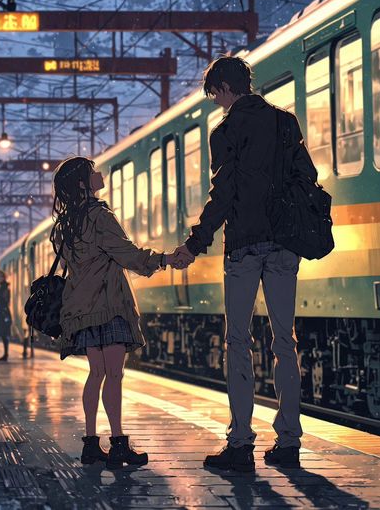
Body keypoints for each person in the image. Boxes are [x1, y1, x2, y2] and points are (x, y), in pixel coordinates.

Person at [170, 55, 318, 472]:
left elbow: (223, 195)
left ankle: (240, 445)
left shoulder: (227, 130)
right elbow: (306, 175)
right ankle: (289, 443)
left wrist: (194, 245)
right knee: (284, 342)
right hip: (284, 245)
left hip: (244, 249)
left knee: (239, 342)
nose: (217, 102)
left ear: (223, 89)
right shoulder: (285, 122)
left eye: (215, 96)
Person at [50, 156, 177, 470]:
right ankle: (119, 443)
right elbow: (128, 254)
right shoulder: (99, 216)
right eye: (92, 172)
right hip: (108, 306)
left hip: (81, 308)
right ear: (83, 183)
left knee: (96, 374)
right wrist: (163, 259)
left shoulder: (66, 223)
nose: (99, 174)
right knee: (115, 375)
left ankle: (91, 443)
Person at [0, 270, 12, 362]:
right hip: (3, 312)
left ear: (3, 278)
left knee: (4, 334)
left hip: (3, 312)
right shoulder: (4, 287)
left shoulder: (4, 287)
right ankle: (5, 354)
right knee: (4, 334)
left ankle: (6, 354)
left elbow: (3, 299)